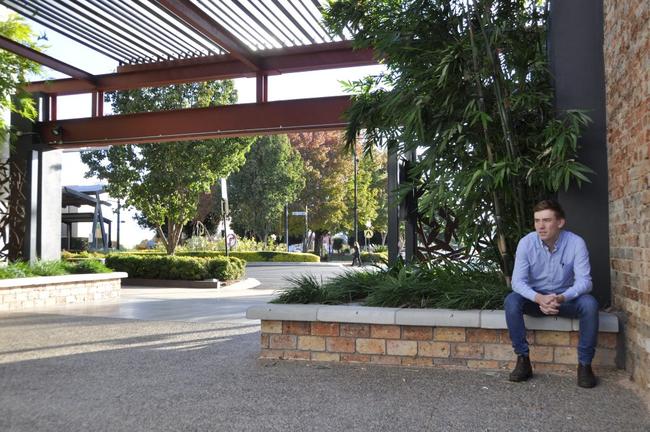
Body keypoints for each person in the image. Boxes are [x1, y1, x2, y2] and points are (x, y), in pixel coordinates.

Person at [504, 199, 599, 388]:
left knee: (589, 304)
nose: (540, 226)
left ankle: (585, 365)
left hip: (564, 299)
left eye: (546, 220)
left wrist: (561, 297)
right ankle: (523, 360)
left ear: (560, 222)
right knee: (511, 301)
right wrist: (539, 298)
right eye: (537, 220)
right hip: (535, 299)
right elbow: (517, 282)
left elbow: (585, 282)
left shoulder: (576, 243)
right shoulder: (526, 243)